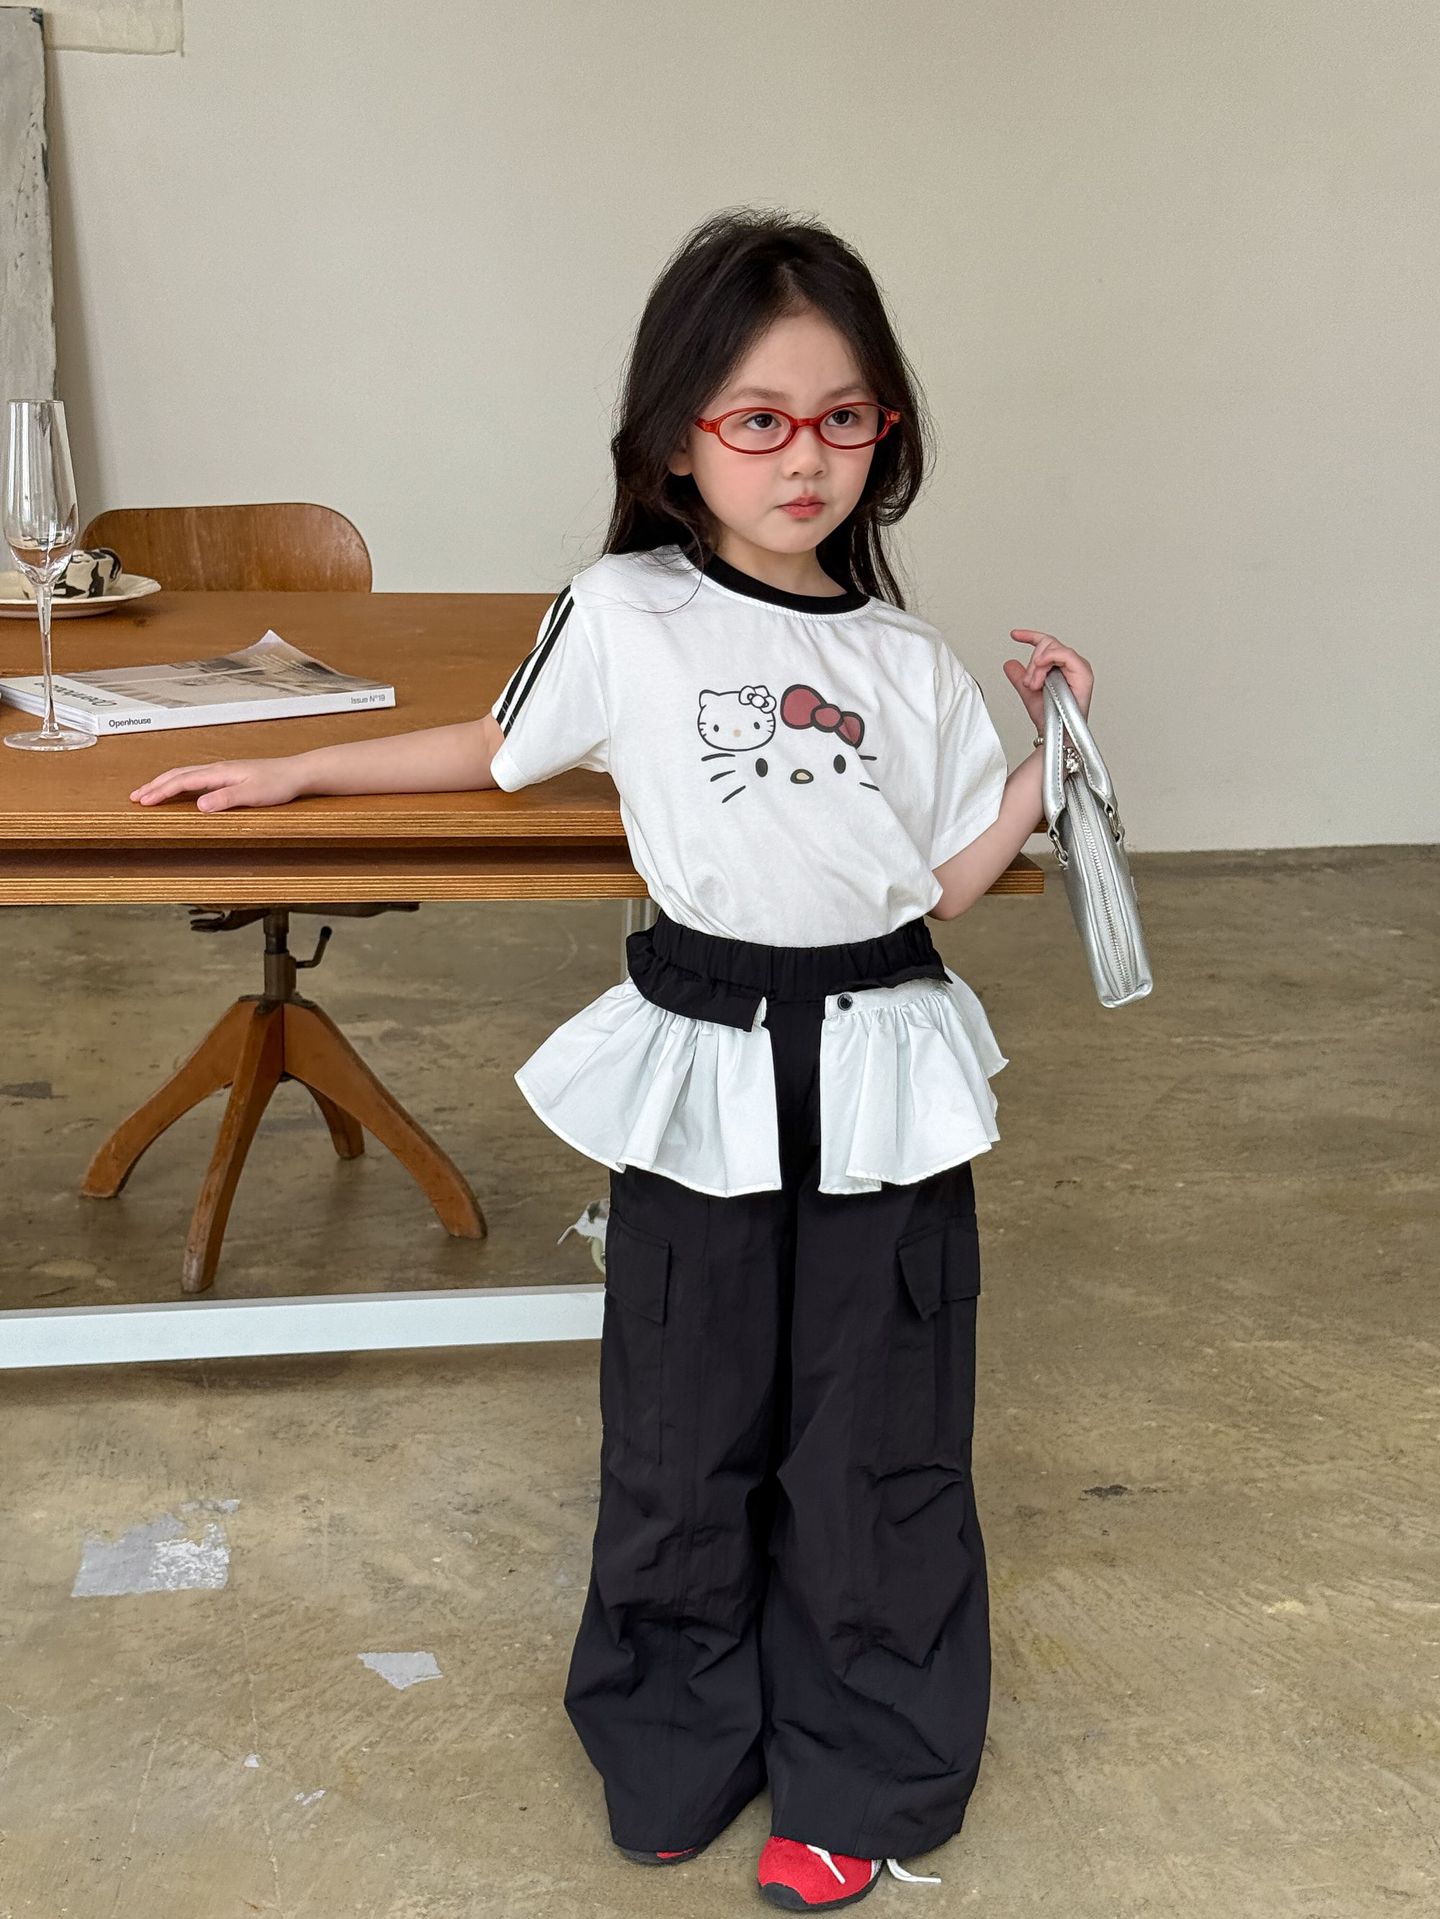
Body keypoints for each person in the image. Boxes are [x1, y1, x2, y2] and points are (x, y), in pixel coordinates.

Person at [130, 207, 1094, 1911]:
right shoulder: (625, 611)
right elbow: (501, 748)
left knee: (875, 1434)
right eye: (760, 420)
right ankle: (671, 1738)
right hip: (704, 1050)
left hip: (879, 1058)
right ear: (677, 439)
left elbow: (941, 878)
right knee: (681, 1416)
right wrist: (298, 773)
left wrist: (1048, 758)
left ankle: (862, 1765)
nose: (806, 458)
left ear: (886, 431)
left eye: (845, 416)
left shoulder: (904, 660)